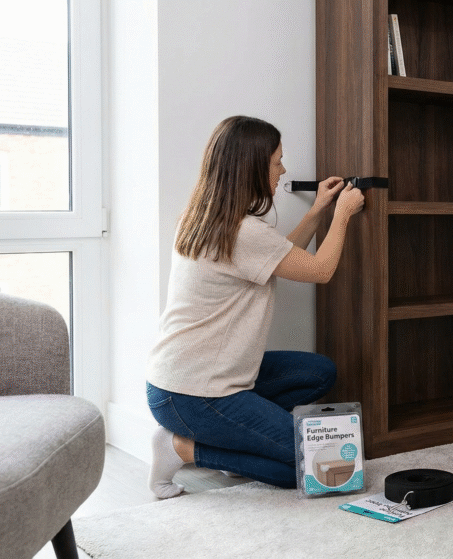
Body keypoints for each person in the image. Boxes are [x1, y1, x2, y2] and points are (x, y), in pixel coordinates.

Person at [145, 115, 365, 498]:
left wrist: (318, 210)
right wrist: (343, 214)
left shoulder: (207, 217)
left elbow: (278, 256)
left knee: (318, 372)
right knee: (304, 466)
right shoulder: (242, 231)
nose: (283, 170)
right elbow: (321, 270)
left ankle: (238, 440)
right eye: (277, 161)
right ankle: (181, 448)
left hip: (178, 382)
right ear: (251, 167)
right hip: (196, 395)